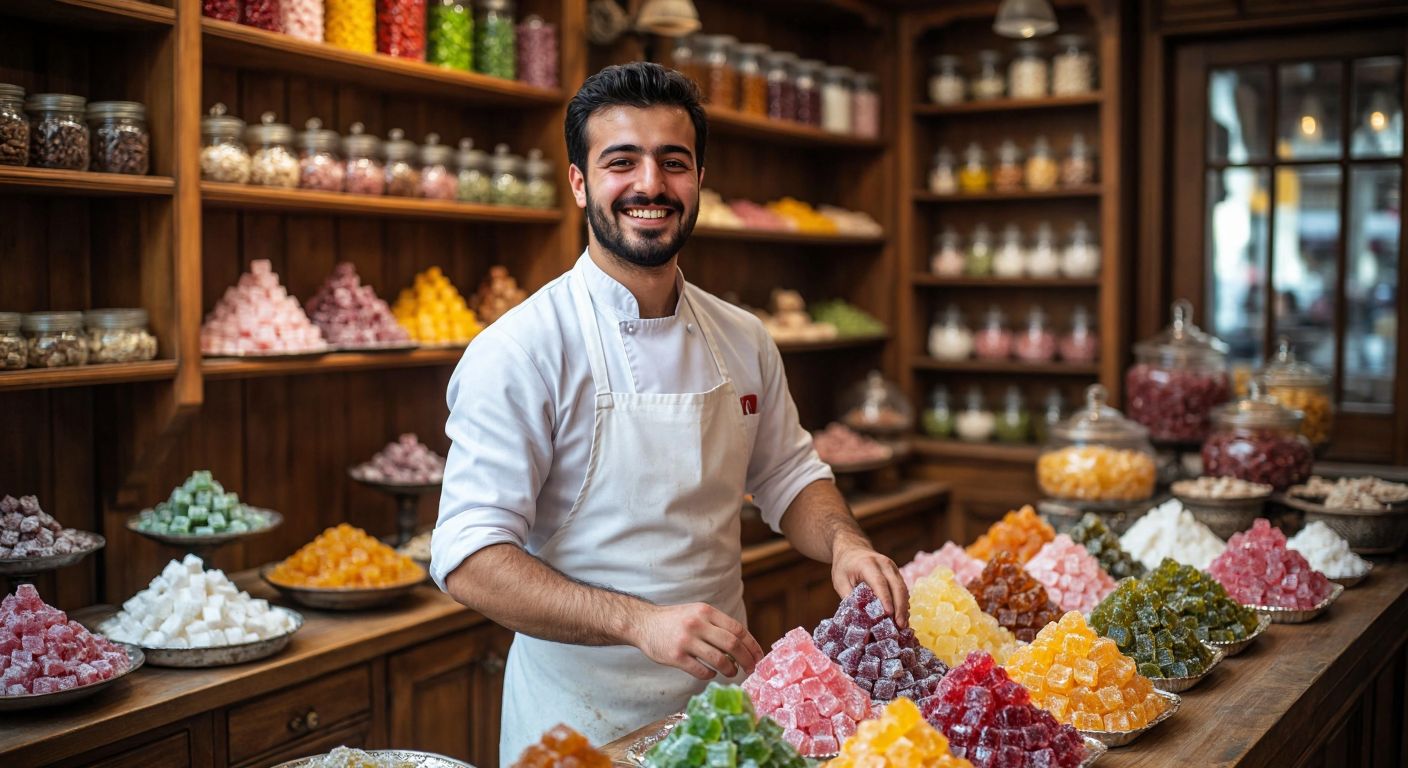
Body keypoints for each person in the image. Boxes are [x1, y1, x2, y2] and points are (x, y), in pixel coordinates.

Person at [431, 62, 908, 764]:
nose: (650, 185)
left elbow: (789, 475)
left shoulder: (742, 337)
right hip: (577, 726)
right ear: (579, 182)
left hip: (726, 720)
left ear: (698, 181)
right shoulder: (520, 350)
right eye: (621, 161)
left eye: (673, 162)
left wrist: (845, 543)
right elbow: (469, 557)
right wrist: (638, 623)